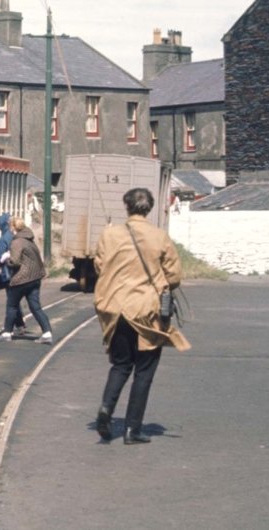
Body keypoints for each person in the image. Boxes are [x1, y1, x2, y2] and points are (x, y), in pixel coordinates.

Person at [92, 187, 190, 444]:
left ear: (127, 206)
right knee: (144, 370)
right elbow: (174, 276)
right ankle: (132, 429)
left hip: (115, 308)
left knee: (120, 364)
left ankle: (106, 409)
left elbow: (100, 265)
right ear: (150, 208)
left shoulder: (109, 234)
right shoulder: (160, 237)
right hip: (146, 311)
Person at [0, 216, 53, 345]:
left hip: (22, 279)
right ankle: (47, 333)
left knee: (12, 305)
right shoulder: (29, 240)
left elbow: (15, 262)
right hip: (35, 277)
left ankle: (6, 333)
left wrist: (6, 258)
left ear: (13, 228)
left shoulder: (17, 242)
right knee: (35, 307)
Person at [0, 212, 27, 336]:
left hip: (8, 273)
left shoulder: (4, 238)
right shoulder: (19, 236)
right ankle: (19, 324)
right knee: (16, 301)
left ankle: (10, 328)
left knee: (12, 302)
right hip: (21, 272)